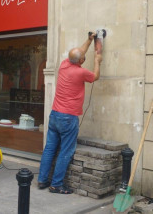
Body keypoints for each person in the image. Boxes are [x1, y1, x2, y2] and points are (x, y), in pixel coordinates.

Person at [37, 30, 104, 194]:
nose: (84, 59)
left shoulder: (64, 64)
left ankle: (41, 180)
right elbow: (95, 76)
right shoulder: (81, 72)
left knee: (49, 149)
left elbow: (79, 53)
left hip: (55, 115)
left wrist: (88, 41)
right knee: (66, 151)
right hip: (68, 117)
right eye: (83, 59)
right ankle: (56, 185)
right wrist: (97, 61)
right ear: (81, 61)